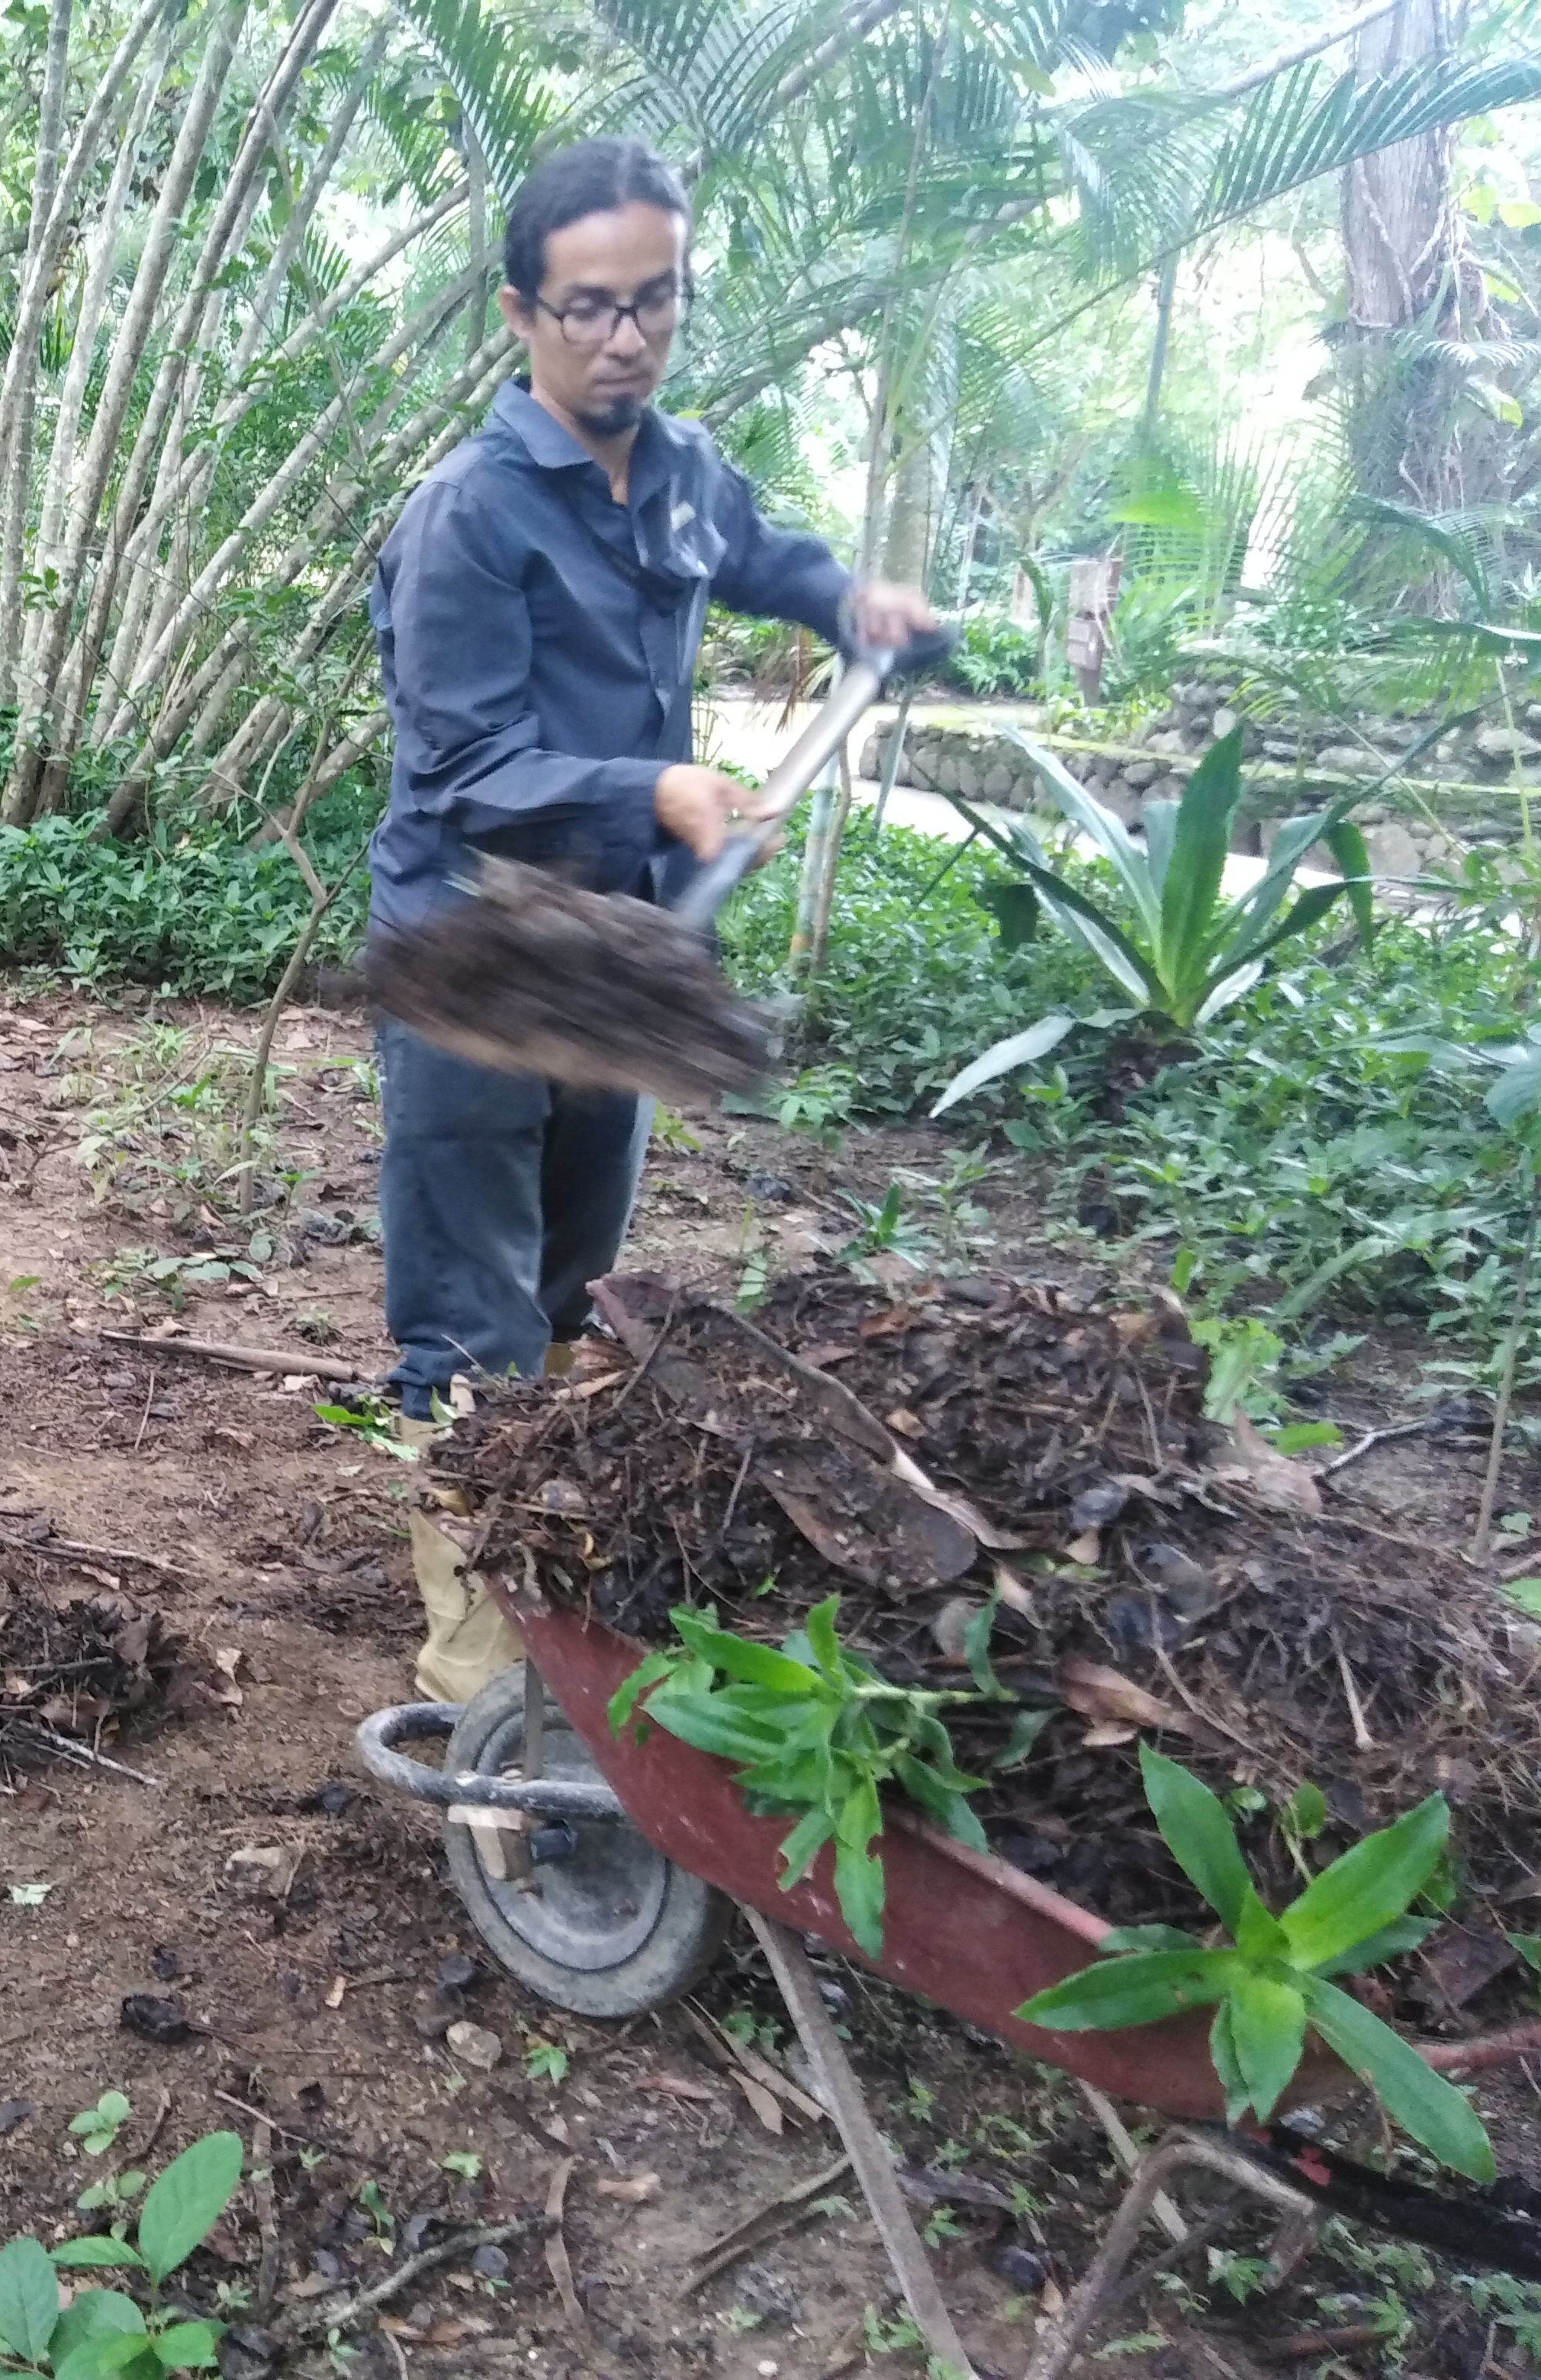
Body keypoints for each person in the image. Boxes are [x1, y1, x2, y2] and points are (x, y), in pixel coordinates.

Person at [367, 137, 935, 1703]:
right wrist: (661, 791)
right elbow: (469, 768)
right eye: (589, 307)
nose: (625, 336)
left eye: (655, 302)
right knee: (468, 1306)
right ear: (519, 313)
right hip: (477, 955)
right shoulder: (468, 520)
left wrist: (849, 605)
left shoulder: (680, 471)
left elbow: (760, 556)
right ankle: (483, 1683)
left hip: (615, 952)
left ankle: (544, 1592)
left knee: (568, 1284)